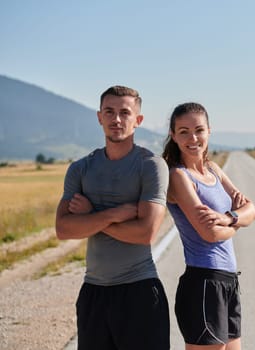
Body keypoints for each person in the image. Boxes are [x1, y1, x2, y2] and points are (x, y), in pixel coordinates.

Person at [55, 85, 170, 350]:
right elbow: (63, 228)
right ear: (99, 117)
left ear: (138, 120)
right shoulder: (81, 168)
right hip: (93, 294)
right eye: (109, 112)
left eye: (124, 113)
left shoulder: (150, 166)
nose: (116, 119)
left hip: (139, 291)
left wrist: (91, 217)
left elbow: (146, 233)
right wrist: (116, 214)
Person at [162, 102, 255, 350]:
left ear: (209, 131)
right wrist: (237, 221)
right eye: (183, 131)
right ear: (173, 135)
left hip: (228, 282)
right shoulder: (179, 177)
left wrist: (228, 218)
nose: (193, 138)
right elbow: (210, 233)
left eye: (199, 130)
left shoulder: (214, 169)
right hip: (203, 283)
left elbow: (252, 210)